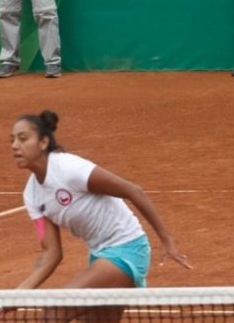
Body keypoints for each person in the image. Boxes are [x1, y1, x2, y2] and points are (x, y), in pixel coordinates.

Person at [11, 110, 192, 298]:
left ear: (43, 142)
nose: (15, 146)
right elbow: (51, 253)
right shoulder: (31, 195)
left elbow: (133, 191)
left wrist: (167, 241)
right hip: (99, 255)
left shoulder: (69, 169)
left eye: (23, 139)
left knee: (56, 310)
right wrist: (18, 294)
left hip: (127, 249)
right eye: (12, 140)